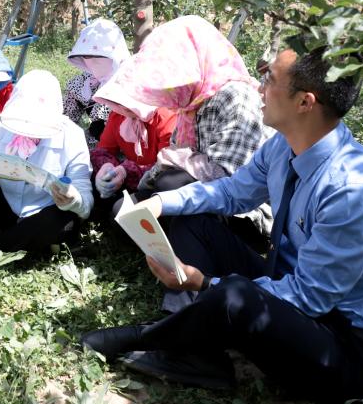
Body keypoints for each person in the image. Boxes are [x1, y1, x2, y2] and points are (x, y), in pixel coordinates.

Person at [77, 48, 363, 404]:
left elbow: (310, 298)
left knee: (234, 295)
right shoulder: (284, 147)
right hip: (287, 283)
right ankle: (199, 353)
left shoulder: (355, 190)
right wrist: (162, 202)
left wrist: (203, 282)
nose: (258, 87)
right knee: (193, 222)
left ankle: (149, 338)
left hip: (343, 344)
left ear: (305, 102)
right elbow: (231, 192)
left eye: (270, 79)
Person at [95, 15, 274, 245]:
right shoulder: (191, 105)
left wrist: (175, 163)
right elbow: (170, 161)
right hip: (193, 197)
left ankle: (191, 244)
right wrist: (143, 178)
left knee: (169, 183)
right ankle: (178, 242)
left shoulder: (235, 97)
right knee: (121, 211)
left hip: (241, 211)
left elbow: (231, 179)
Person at [0, 70, 93, 268]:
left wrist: (73, 199)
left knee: (64, 220)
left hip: (41, 215)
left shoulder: (72, 136)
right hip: (2, 206)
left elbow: (86, 203)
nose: (29, 127)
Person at [88, 73, 178, 216]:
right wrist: (107, 166)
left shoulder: (167, 117)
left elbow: (167, 166)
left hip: (154, 183)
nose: (122, 106)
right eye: (118, 100)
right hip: (129, 178)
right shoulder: (118, 114)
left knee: (121, 212)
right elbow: (104, 150)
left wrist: (126, 170)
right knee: (89, 183)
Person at [63, 19, 130, 146]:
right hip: (93, 144)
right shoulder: (87, 81)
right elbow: (67, 113)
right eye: (87, 56)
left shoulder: (128, 83)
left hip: (122, 144)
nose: (91, 61)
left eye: (97, 56)